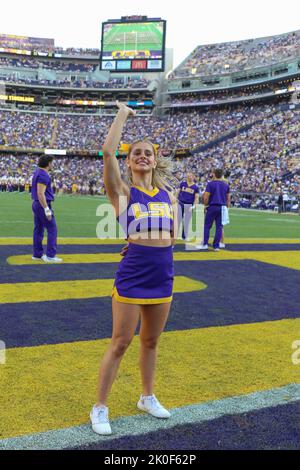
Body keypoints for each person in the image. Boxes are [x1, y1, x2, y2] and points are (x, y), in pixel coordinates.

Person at [90, 102, 177, 435]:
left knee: (151, 342)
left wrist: (151, 244)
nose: (142, 156)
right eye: (136, 153)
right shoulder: (123, 192)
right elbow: (107, 153)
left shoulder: (169, 196)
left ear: (155, 160)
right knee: (121, 341)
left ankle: (147, 396)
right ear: (129, 161)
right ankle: (99, 407)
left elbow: (172, 237)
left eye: (148, 153)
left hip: (162, 276)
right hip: (133, 276)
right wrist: (123, 114)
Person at [31, 155, 62, 263]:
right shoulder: (43, 175)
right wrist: (46, 209)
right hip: (42, 204)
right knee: (52, 228)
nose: (53, 165)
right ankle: (50, 255)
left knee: (38, 229)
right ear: (48, 163)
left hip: (37, 203)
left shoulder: (37, 172)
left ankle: (37, 254)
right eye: (52, 162)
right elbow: (40, 193)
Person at [196, 168, 230, 251]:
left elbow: (206, 196)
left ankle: (205, 244)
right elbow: (228, 198)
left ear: (214, 174)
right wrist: (227, 208)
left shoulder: (210, 184)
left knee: (207, 226)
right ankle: (216, 246)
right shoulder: (226, 185)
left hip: (212, 206)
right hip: (222, 207)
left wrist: (205, 205)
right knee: (219, 227)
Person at [178, 172, 199, 242]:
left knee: (187, 221)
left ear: (193, 177)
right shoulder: (182, 184)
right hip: (180, 203)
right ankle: (175, 235)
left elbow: (196, 198)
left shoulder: (195, 187)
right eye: (188, 176)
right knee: (178, 220)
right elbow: (177, 193)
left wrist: (194, 206)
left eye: (191, 176)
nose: (189, 177)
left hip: (189, 205)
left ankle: (184, 236)